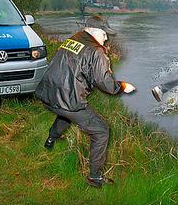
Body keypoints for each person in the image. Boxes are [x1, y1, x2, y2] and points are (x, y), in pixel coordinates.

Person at [35, 15, 136, 188]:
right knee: (101, 131)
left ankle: (51, 139)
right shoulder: (96, 52)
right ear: (95, 32)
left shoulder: (73, 39)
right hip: (67, 99)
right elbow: (106, 84)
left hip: (48, 93)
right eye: (105, 34)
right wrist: (122, 86)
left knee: (64, 112)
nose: (106, 37)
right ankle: (95, 177)